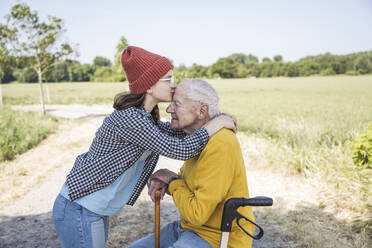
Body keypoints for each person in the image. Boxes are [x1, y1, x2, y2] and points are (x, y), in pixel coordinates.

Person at [52, 47, 236, 248]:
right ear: (149, 85)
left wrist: (214, 118)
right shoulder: (131, 119)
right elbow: (180, 149)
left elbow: (174, 132)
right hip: (79, 208)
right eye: (168, 79)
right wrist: (215, 125)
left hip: (89, 210)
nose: (173, 85)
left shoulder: (145, 119)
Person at [129, 79, 255, 248]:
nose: (169, 109)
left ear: (202, 111)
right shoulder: (199, 137)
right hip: (190, 228)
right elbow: (190, 182)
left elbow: (197, 213)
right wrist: (169, 179)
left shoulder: (221, 143)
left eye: (177, 104)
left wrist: (172, 181)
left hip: (216, 237)